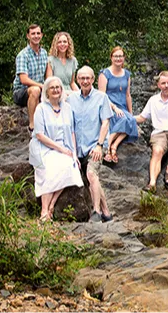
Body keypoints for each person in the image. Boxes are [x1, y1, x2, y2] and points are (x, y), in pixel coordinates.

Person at [28, 76, 83, 222]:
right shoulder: (41, 108)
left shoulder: (67, 108)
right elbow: (39, 135)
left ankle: (51, 205)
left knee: (70, 166)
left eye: (58, 87)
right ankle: (44, 211)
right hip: (44, 147)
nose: (56, 90)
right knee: (50, 168)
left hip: (64, 147)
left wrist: (74, 155)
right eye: (52, 88)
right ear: (46, 92)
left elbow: (72, 132)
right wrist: (60, 149)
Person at [67, 66, 114, 223]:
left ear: (93, 79)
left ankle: (96, 211)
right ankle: (106, 211)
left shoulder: (101, 98)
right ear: (78, 80)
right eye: (82, 78)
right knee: (86, 180)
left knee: (91, 174)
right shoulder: (71, 99)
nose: (85, 81)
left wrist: (100, 145)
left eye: (88, 78)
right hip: (77, 148)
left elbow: (106, 122)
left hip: (95, 145)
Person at [98, 46, 139, 163]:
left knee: (130, 120)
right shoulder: (105, 74)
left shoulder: (126, 74)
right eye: (116, 56)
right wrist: (115, 108)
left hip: (122, 107)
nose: (118, 58)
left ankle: (113, 146)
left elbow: (127, 95)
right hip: (109, 106)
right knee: (124, 120)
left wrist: (130, 113)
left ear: (124, 58)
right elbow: (102, 96)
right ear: (111, 58)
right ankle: (107, 146)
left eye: (120, 56)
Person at [13, 24, 48, 133]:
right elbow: (24, 80)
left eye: (38, 33)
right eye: (33, 34)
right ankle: (33, 125)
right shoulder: (23, 55)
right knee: (35, 90)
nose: (36, 36)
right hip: (21, 91)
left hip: (40, 90)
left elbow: (47, 75)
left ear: (42, 35)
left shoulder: (44, 53)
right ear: (28, 36)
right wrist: (42, 86)